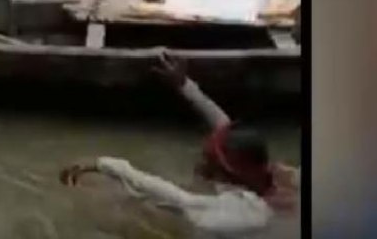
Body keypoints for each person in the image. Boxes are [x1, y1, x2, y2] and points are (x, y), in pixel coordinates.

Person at [60, 52, 299, 234]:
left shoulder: (245, 215)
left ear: (229, 171)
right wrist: (185, 86)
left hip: (228, 226)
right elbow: (223, 126)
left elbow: (178, 199)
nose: (201, 162)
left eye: (210, 161)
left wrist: (107, 165)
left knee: (129, 213)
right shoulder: (267, 174)